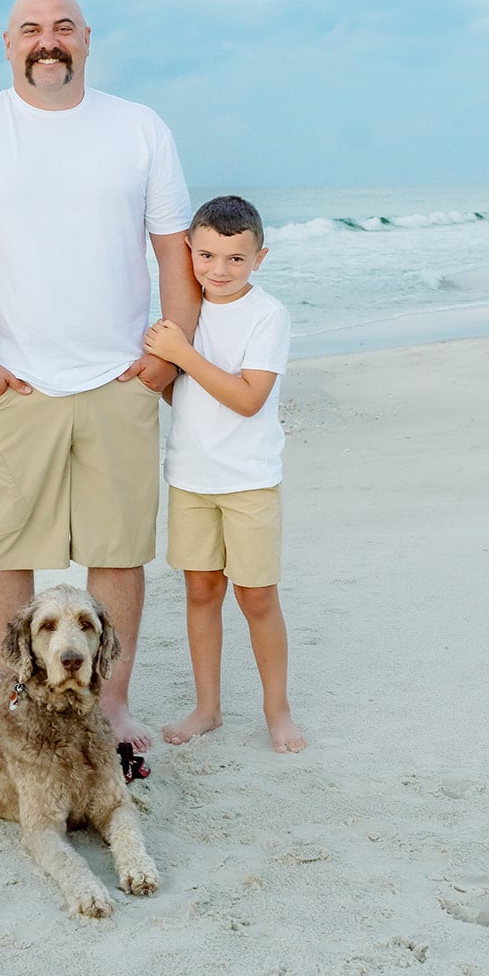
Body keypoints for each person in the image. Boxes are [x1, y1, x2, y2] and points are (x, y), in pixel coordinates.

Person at [0, 0, 199, 752]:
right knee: (11, 554)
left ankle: (108, 708)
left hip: (119, 380)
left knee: (116, 551)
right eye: (31, 30)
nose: (48, 41)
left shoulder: (138, 128)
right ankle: (11, 706)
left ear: (86, 39)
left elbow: (172, 247)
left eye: (62, 28)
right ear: (7, 44)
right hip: (16, 385)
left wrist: (163, 357)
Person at [144, 194, 306, 753]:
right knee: (201, 591)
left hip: (249, 482)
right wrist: (162, 361)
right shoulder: (185, 314)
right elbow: (179, 394)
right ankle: (207, 707)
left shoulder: (268, 315)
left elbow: (245, 399)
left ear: (260, 257)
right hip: (190, 478)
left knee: (257, 597)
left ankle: (277, 710)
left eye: (235, 259)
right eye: (207, 255)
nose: (218, 270)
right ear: (187, 250)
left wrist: (181, 355)